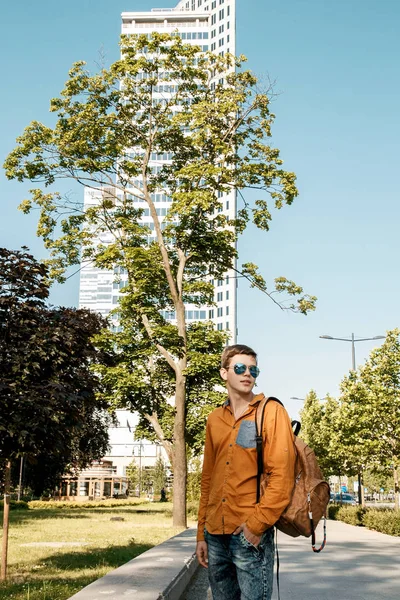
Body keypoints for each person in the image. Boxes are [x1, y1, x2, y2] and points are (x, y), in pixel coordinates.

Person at [196, 344, 296, 600]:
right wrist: (201, 534)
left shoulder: (272, 412)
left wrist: (256, 526)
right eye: (239, 368)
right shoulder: (214, 418)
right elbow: (207, 479)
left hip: (249, 534)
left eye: (253, 369)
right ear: (224, 373)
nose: (247, 373)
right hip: (215, 535)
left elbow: (282, 477)